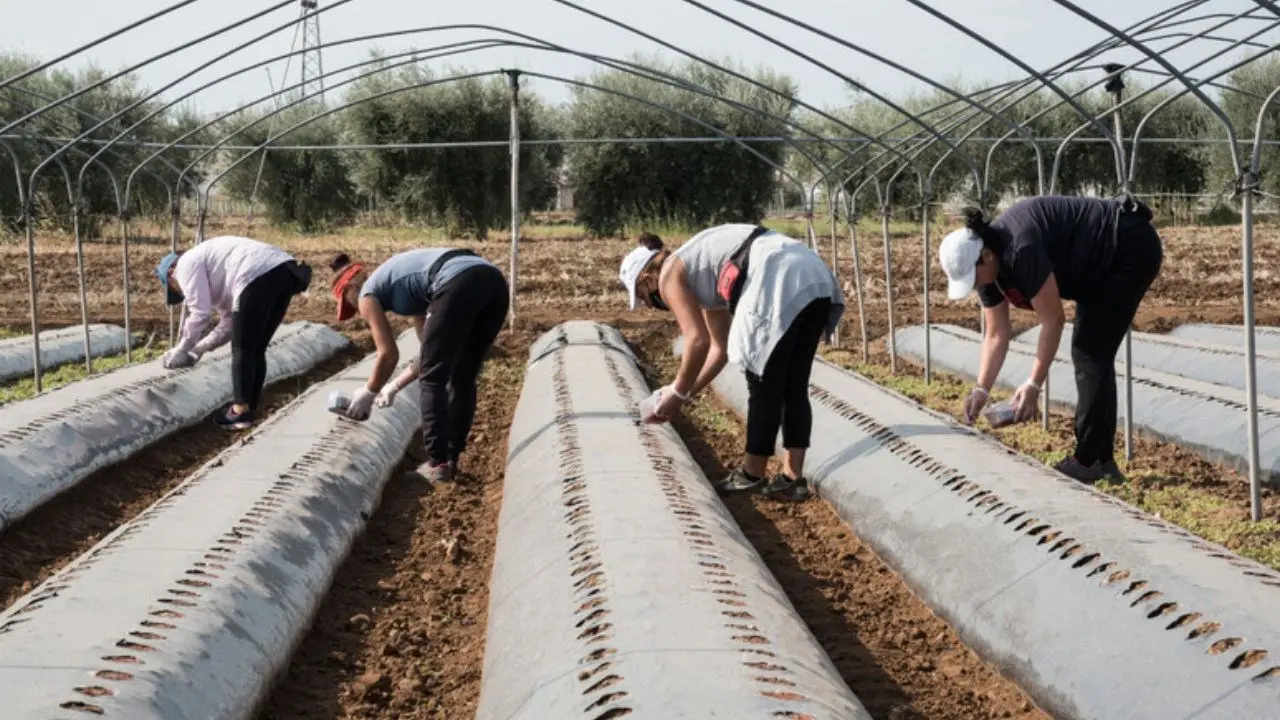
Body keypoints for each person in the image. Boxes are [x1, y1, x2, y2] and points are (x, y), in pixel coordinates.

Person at [937, 195, 1163, 484]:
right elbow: (995, 334)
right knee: (1094, 353)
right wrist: (981, 390)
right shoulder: (987, 268)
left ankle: (1088, 460)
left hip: (1126, 245)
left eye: (974, 277)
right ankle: (1101, 459)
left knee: (1089, 352)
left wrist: (1033, 385)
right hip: (1097, 262)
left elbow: (1054, 320)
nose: (975, 285)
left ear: (987, 256)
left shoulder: (1021, 249)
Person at [619, 224, 845, 502]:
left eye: (643, 296)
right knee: (792, 384)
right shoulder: (699, 269)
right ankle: (791, 480)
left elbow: (696, 340)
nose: (651, 305)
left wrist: (677, 390)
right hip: (813, 275)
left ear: (647, 279)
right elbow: (719, 349)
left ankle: (752, 475)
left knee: (761, 378)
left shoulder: (668, 274)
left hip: (777, 277)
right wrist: (683, 395)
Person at [330, 247, 509, 483]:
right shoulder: (405, 287)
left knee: (433, 380)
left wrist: (369, 391)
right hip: (493, 282)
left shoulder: (367, 295)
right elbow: (428, 353)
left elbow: (388, 354)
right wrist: (393, 387)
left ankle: (437, 463)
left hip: (458, 282)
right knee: (462, 376)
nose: (355, 310)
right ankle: (450, 459)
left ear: (351, 288)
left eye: (349, 304)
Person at [155, 235, 312, 430]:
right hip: (283, 272)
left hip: (255, 273)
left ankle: (240, 410)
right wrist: (199, 349)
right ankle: (250, 407)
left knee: (242, 348)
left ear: (171, 274)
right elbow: (229, 323)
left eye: (174, 289)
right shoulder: (216, 273)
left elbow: (200, 313)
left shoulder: (185, 265)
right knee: (256, 347)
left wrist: (182, 348)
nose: (182, 293)